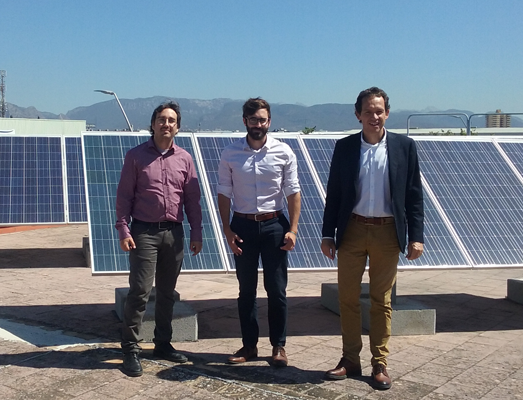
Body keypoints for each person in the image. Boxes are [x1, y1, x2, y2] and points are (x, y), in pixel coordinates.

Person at [320, 87, 424, 390]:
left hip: (387, 233)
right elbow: (335, 195)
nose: (374, 116)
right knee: (348, 299)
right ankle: (350, 359)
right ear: (358, 115)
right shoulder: (346, 148)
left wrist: (416, 237)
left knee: (382, 301)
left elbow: (414, 197)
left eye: (379, 111)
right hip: (351, 231)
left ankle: (380, 363)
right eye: (368, 111)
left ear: (387, 113)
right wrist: (328, 234)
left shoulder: (404, 147)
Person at [115, 101, 203, 377]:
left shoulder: (185, 159)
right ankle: (130, 348)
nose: (167, 124)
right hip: (144, 233)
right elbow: (124, 196)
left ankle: (162, 344)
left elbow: (192, 200)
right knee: (140, 291)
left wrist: (197, 232)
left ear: (178, 126)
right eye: (162, 119)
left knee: (167, 293)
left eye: (172, 120)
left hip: (174, 234)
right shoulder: (136, 156)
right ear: (153, 124)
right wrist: (123, 229)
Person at [217, 97, 301, 367]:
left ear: (269, 122)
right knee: (246, 291)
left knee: (276, 290)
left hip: (274, 226)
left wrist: (294, 229)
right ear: (245, 121)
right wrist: (227, 229)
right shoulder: (230, 154)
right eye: (253, 120)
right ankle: (249, 346)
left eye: (263, 120)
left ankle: (279, 346)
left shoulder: (284, 152)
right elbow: (223, 193)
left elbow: (293, 192)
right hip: (242, 226)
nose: (258, 125)